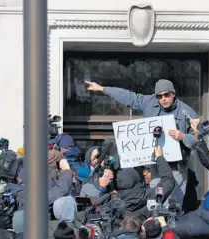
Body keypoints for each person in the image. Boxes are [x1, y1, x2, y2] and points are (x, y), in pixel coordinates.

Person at [85, 79, 199, 207]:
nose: (163, 99)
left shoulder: (186, 112)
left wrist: (183, 136)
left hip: (176, 167)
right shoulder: (148, 102)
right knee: (155, 202)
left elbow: (197, 141)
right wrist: (102, 89)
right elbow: (127, 96)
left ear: (173, 94)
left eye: (166, 95)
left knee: (173, 205)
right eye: (159, 96)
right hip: (155, 166)